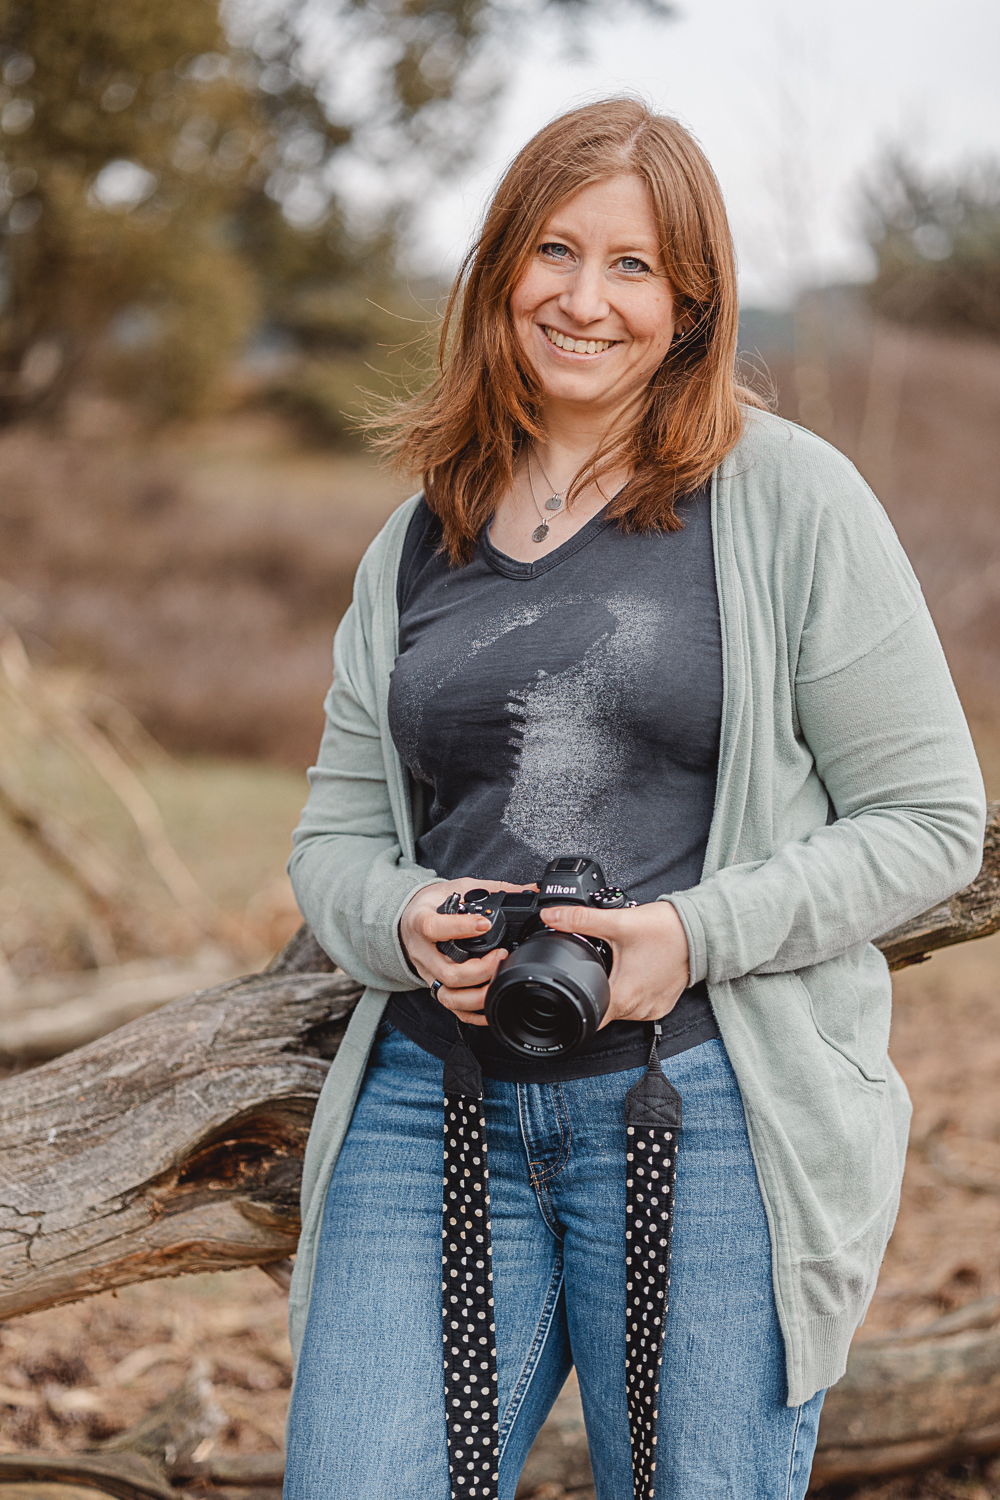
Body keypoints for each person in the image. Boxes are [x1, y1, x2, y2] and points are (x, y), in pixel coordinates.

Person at [281, 99, 985, 1500]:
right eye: (553, 249)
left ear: (689, 305)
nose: (582, 299)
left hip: (707, 1114)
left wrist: (695, 937)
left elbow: (930, 818)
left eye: (632, 267)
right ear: (498, 272)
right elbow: (334, 837)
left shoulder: (789, 500)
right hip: (435, 1106)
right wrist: (401, 920)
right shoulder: (426, 528)